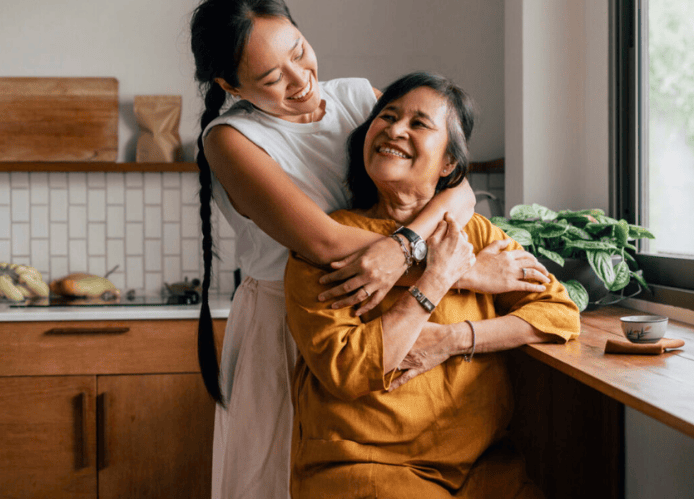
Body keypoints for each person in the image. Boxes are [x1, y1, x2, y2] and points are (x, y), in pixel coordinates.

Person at [188, 1, 552, 497]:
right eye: (273, 78)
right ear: (231, 87)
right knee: (275, 477)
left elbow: (459, 188)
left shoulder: (359, 98)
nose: (301, 80)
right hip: (293, 323)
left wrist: (405, 247)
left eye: (300, 51)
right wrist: (460, 272)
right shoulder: (231, 139)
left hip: (383, 312)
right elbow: (324, 242)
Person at [284, 72, 581, 498]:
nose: (394, 128)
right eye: (386, 116)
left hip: (484, 469)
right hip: (365, 466)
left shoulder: (475, 232)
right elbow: (346, 369)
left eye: (419, 123)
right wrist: (438, 278)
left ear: (449, 164)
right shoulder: (328, 241)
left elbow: (559, 313)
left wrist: (455, 339)